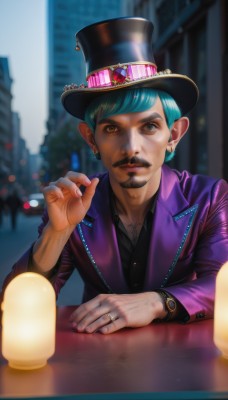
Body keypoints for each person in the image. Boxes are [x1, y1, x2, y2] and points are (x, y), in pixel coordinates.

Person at [1, 17, 227, 334]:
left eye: (149, 126)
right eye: (111, 128)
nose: (131, 147)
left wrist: (157, 302)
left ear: (174, 134)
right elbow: (14, 304)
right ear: (92, 139)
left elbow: (222, 285)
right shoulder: (76, 208)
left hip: (186, 367)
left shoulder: (209, 198)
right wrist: (56, 233)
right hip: (96, 364)